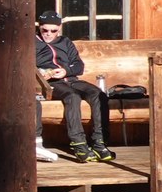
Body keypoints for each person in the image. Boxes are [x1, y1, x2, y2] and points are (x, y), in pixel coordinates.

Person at [35, 11, 113, 162]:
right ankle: (79, 144)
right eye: (45, 30)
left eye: (53, 31)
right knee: (72, 96)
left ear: (59, 28)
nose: (49, 34)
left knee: (98, 94)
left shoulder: (65, 42)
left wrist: (66, 71)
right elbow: (28, 66)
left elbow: (79, 65)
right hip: (52, 83)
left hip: (71, 79)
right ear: (39, 27)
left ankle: (99, 141)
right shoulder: (32, 42)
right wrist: (42, 74)